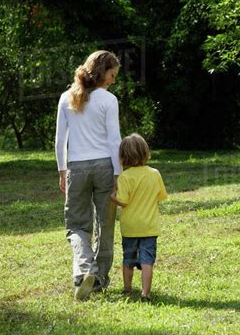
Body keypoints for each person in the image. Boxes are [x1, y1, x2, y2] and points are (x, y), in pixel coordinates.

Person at [55, 50, 121, 301]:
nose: (113, 80)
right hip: (105, 166)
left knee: (76, 225)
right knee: (105, 225)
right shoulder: (108, 100)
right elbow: (115, 140)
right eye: (112, 75)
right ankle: (98, 280)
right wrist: (118, 173)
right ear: (101, 71)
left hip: (77, 168)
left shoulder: (66, 98)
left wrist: (63, 171)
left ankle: (84, 269)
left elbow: (61, 140)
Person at [111, 133, 168, 302]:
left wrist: (112, 196)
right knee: (147, 261)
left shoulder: (125, 177)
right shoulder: (155, 174)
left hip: (130, 227)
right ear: (145, 152)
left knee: (128, 259)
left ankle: (128, 289)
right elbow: (161, 196)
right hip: (149, 226)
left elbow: (124, 201)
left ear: (123, 157)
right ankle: (145, 293)